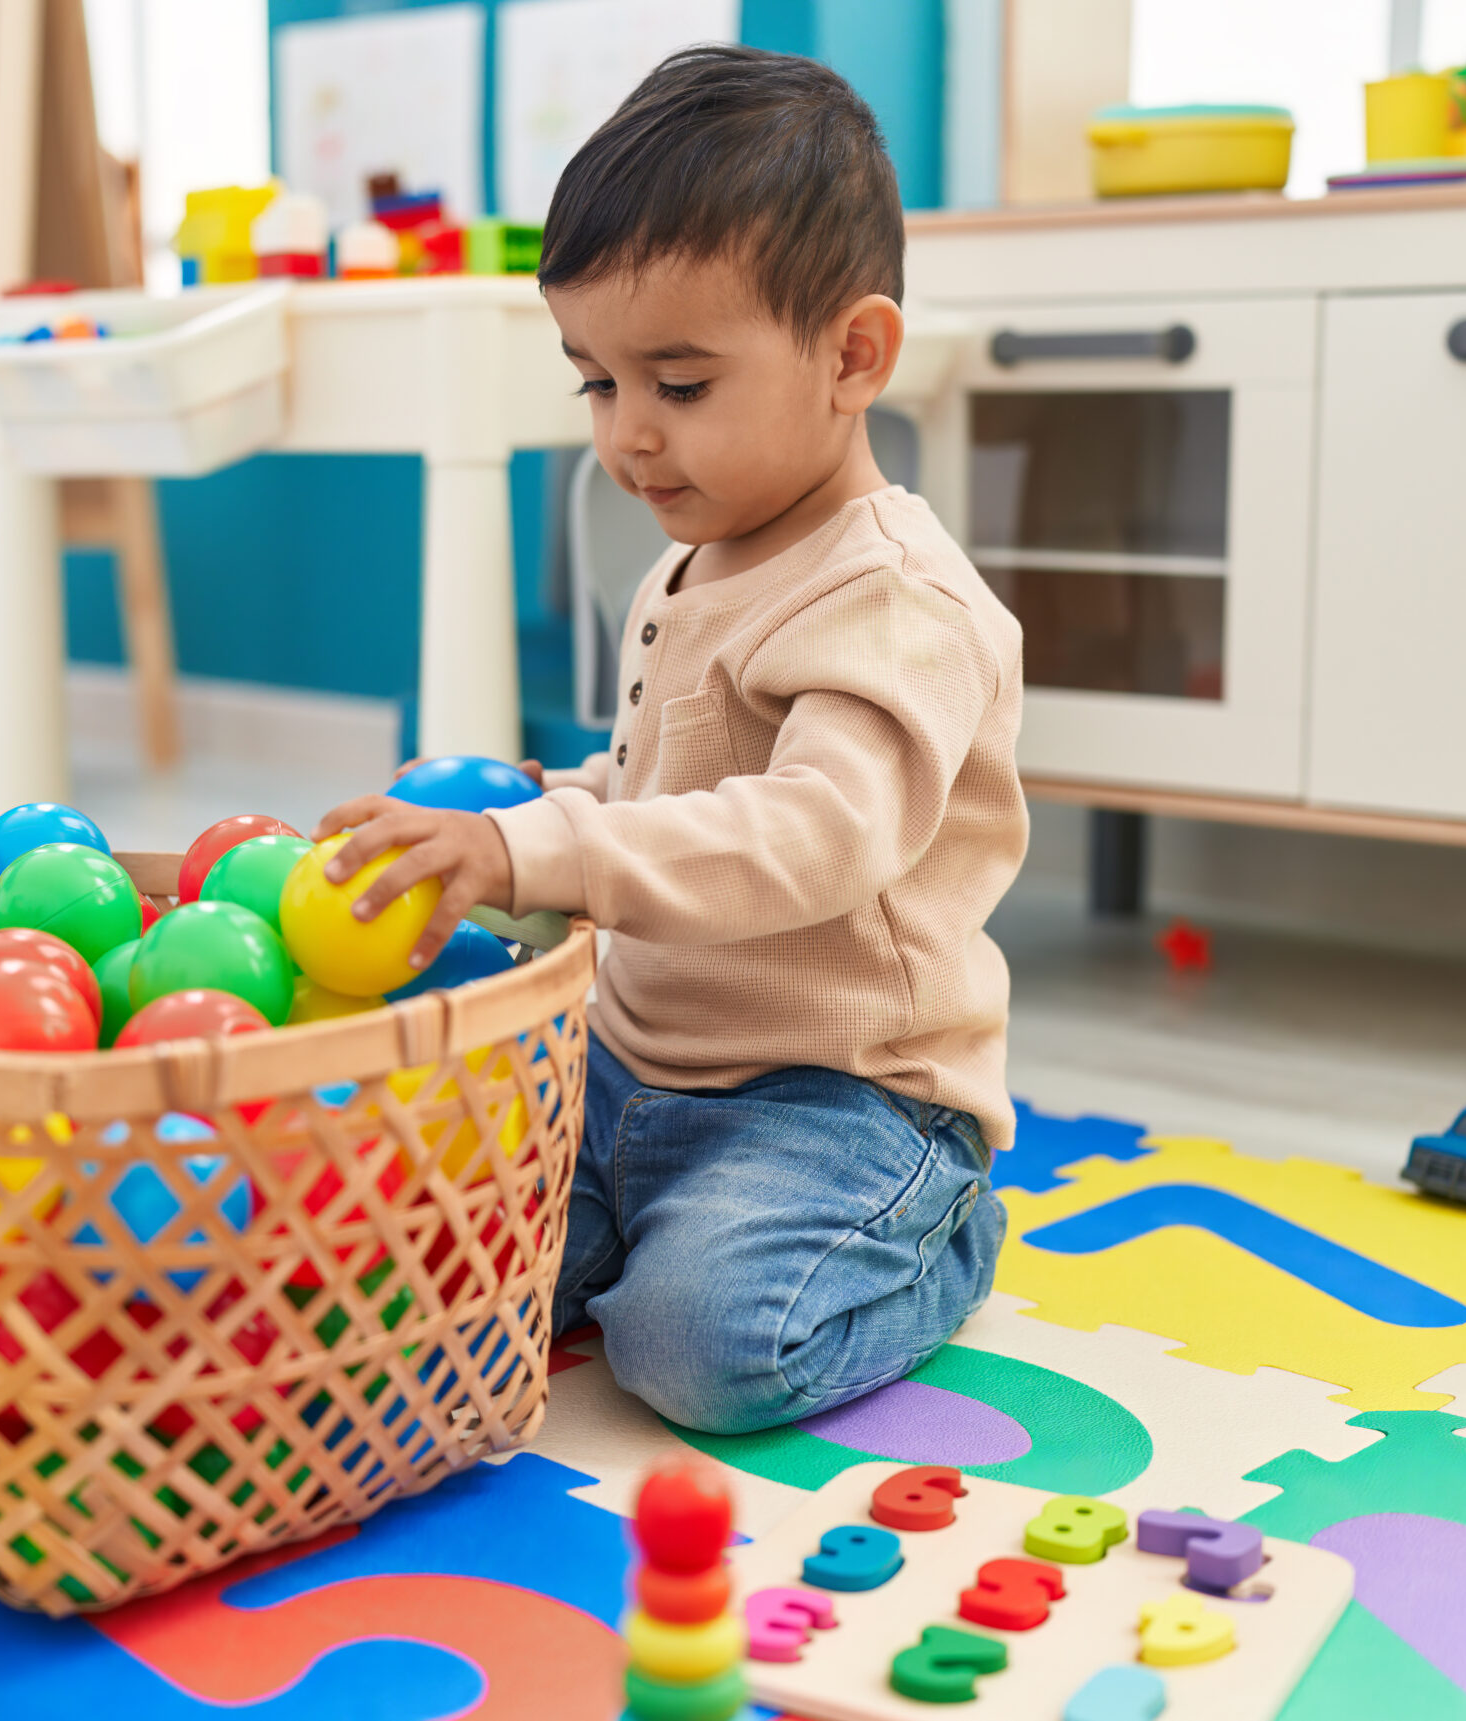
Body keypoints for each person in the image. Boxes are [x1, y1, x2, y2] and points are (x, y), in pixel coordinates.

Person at [311, 45, 1025, 1434]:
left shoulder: (894, 599)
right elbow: (665, 789)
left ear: (852, 356)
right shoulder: (697, 553)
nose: (627, 437)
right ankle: (649, 1229)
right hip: (627, 1063)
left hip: (839, 1099)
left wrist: (541, 848)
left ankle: (939, 1237)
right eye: (595, 382)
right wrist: (538, 802)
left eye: (680, 384)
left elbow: (811, 833)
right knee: (426, 1268)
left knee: (704, 1349)